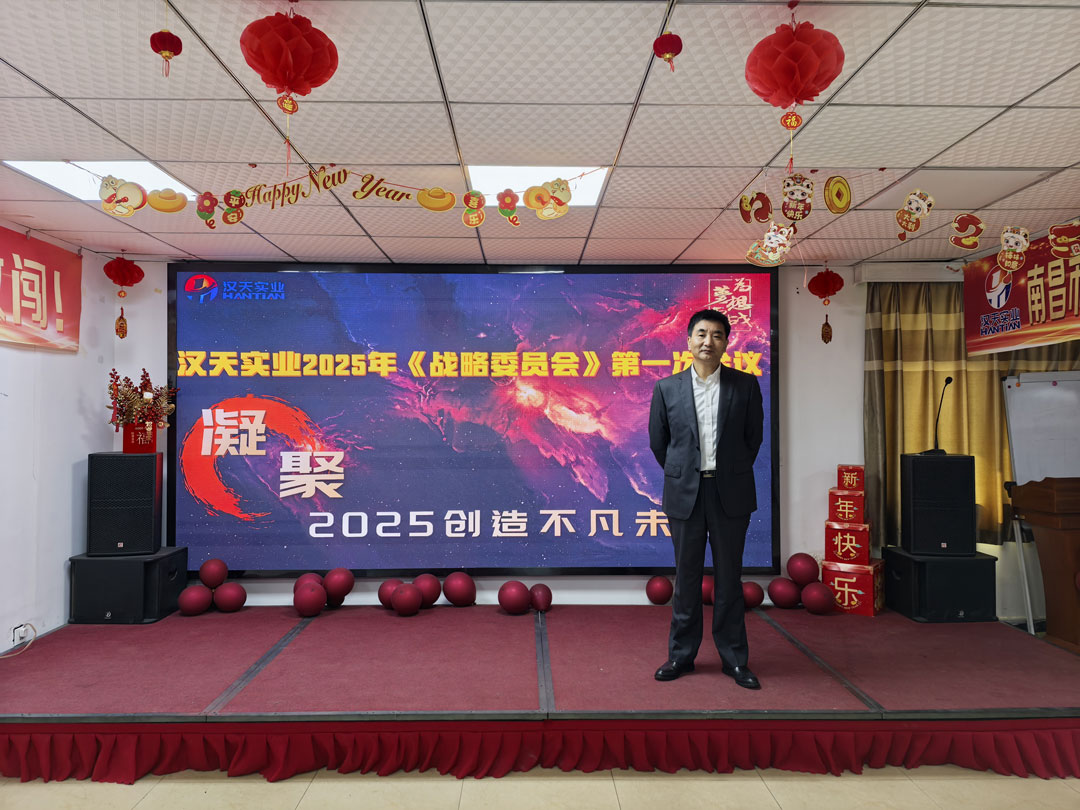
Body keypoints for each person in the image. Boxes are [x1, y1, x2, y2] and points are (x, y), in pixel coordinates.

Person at [648, 309, 764, 689]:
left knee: (729, 579)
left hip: (730, 493)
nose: (707, 341)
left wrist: (727, 471)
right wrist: (685, 473)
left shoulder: (745, 386)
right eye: (701, 334)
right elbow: (660, 443)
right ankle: (681, 656)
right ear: (688, 340)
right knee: (686, 579)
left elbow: (753, 439)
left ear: (726, 342)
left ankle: (735, 660)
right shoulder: (666, 388)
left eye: (716, 335)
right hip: (686, 494)